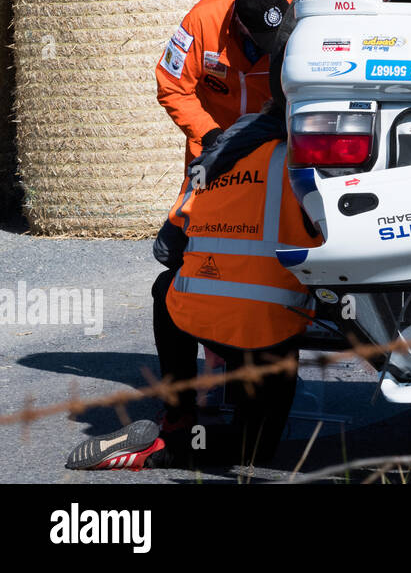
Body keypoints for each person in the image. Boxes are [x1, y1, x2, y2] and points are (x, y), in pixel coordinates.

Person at [64, 133, 319, 471]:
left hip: (197, 316)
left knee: (166, 285)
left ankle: (179, 412)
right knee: (255, 450)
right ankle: (160, 449)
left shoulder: (211, 157)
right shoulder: (307, 158)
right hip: (267, 332)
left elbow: (165, 251)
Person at [156, 0, 293, 168]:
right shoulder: (201, 22)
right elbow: (172, 88)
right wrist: (210, 135)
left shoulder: (301, 16)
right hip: (211, 147)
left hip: (274, 146)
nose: (269, 46)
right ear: (238, 20)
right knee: (199, 196)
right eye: (262, 38)